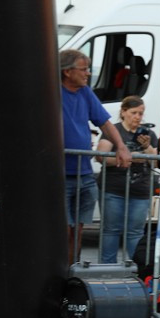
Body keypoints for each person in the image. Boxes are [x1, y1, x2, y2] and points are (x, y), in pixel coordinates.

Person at [60, 48, 132, 264]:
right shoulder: (52, 91)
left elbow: (104, 122)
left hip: (84, 174)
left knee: (78, 231)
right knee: (63, 231)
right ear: (67, 72)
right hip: (60, 175)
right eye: (84, 69)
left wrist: (120, 146)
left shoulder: (84, 92)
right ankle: (59, 276)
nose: (88, 73)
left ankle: (73, 276)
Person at [96, 95, 158, 263]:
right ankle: (107, 270)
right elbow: (101, 156)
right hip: (113, 188)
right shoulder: (113, 130)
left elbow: (157, 161)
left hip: (140, 190)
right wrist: (127, 158)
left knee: (135, 232)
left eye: (141, 113)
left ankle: (136, 270)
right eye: (134, 112)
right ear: (123, 112)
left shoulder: (148, 133)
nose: (138, 117)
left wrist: (146, 147)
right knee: (111, 230)